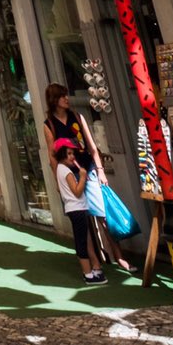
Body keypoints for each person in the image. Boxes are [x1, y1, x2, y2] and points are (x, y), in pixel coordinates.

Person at [43, 83, 131, 272]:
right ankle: (94, 262)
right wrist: (57, 179)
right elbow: (52, 156)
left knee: (102, 214)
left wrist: (99, 169)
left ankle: (118, 255)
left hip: (87, 167)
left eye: (66, 95)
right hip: (68, 174)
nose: (67, 99)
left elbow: (92, 146)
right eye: (62, 96)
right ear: (54, 101)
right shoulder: (49, 124)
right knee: (81, 220)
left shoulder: (77, 117)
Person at [52, 137, 105, 283]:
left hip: (75, 208)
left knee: (83, 238)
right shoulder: (66, 172)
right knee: (82, 241)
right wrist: (82, 178)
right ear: (62, 154)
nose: (72, 156)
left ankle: (93, 269)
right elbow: (77, 191)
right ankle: (88, 273)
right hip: (77, 208)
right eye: (68, 153)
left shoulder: (61, 169)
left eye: (72, 153)